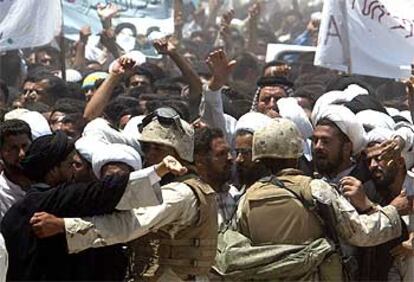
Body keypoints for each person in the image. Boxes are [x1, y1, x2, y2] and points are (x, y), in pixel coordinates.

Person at [30, 111, 219, 281]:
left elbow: (129, 225)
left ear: (180, 153)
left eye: (158, 148)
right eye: (146, 148)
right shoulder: (182, 186)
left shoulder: (179, 194)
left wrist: (65, 226)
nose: (150, 156)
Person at [231, 118, 408, 280]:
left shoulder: (247, 198)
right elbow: (360, 233)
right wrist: (393, 211)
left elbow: (237, 252)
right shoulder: (315, 189)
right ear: (296, 153)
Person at [1, 131, 165, 281]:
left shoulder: (14, 213)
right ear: (53, 169)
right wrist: (158, 171)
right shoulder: (54, 199)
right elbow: (100, 192)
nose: (74, 170)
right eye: (69, 164)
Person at [0, 120, 32, 224]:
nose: (21, 154)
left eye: (25, 146)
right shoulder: (2, 192)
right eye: (13, 148)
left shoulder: (48, 180)